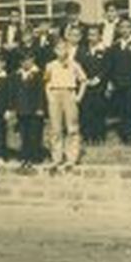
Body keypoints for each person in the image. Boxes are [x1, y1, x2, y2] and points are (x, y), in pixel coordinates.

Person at [43, 37, 88, 169]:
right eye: (58, 49)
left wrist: (79, 96)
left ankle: (71, 158)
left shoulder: (74, 64)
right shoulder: (50, 65)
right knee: (55, 128)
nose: (61, 51)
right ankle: (56, 157)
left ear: (68, 50)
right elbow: (46, 82)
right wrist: (49, 96)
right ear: (54, 50)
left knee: (72, 127)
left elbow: (84, 80)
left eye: (64, 48)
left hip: (69, 93)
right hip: (55, 94)